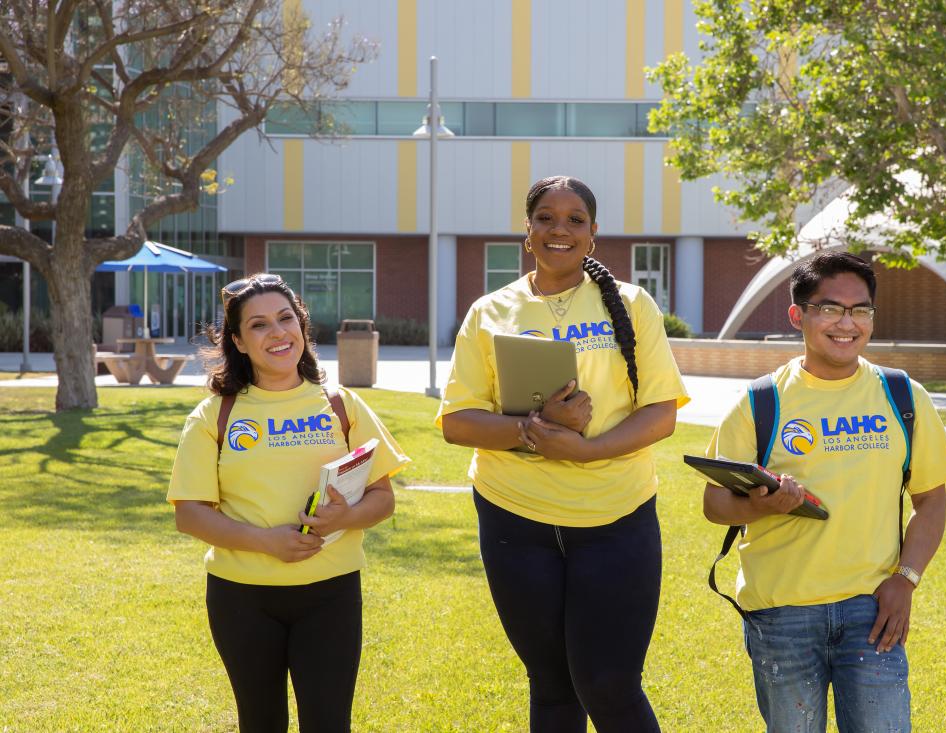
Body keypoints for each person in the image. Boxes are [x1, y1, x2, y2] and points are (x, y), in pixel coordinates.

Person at [438, 176, 689, 732]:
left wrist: (585, 450)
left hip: (616, 517)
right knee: (551, 686)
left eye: (576, 219)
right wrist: (537, 428)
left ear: (593, 235)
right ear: (527, 232)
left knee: (610, 685)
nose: (560, 229)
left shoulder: (631, 304)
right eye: (546, 218)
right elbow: (456, 421)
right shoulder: (490, 312)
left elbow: (661, 413)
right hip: (513, 518)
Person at [702, 251, 946, 733]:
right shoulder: (761, 401)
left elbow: (931, 499)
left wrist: (905, 579)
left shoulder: (902, 396)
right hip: (781, 612)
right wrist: (760, 503)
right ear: (798, 314)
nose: (848, 323)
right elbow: (715, 504)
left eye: (861, 310)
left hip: (872, 609)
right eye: (831, 308)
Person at [168, 273, 409, 732]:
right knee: (260, 722)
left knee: (328, 723)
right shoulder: (215, 414)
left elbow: (383, 499)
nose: (277, 333)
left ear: (302, 326)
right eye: (258, 325)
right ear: (237, 341)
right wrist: (266, 542)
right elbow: (190, 513)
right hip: (241, 597)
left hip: (331, 592)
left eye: (286, 318)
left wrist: (348, 515)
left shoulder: (342, 405)